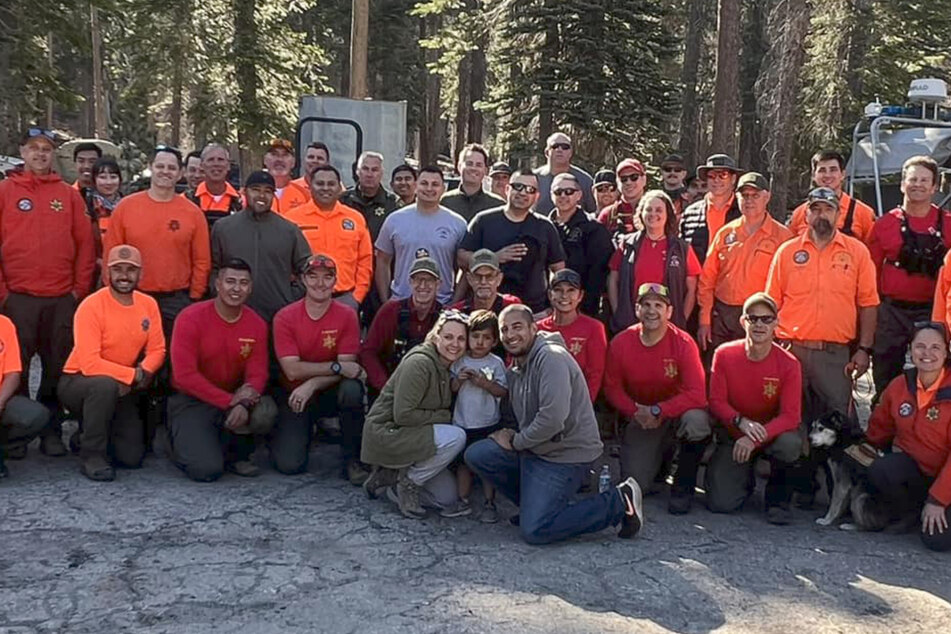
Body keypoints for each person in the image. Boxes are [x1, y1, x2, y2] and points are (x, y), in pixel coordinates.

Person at [464, 304, 644, 544]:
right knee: (479, 454)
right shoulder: (517, 367)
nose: (510, 335)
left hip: (565, 455)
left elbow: (552, 419)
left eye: (517, 327)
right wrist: (506, 433)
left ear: (534, 328)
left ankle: (619, 501)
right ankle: (537, 507)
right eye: (504, 330)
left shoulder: (551, 359)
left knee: (535, 531)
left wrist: (516, 441)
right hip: (537, 449)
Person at [766, 186, 879, 504]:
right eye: (815, 209)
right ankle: (793, 491)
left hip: (835, 354)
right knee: (793, 421)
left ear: (838, 214)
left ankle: (842, 495)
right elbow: (771, 303)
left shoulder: (856, 252)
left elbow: (868, 304)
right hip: (792, 350)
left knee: (838, 426)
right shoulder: (787, 252)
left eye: (827, 209)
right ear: (806, 214)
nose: (821, 215)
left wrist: (864, 349)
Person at [0, 127, 95, 457]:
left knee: (57, 367)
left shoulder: (67, 196)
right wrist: (3, 294)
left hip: (60, 300)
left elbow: (86, 245)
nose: (40, 154)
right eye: (34, 148)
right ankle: (18, 435)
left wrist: (78, 290)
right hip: (18, 298)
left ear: (53, 155)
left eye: (46, 149)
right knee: (18, 368)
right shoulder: (5, 191)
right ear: (23, 152)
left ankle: (52, 431)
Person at [58, 245, 165, 481]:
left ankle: (86, 434)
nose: (124, 276)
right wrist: (132, 375)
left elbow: (157, 349)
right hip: (79, 381)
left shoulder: (148, 304)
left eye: (131, 270)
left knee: (131, 458)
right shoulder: (91, 306)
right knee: (103, 386)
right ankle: (91, 455)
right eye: (118, 270)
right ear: (107, 274)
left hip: (122, 384)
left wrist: (143, 372)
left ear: (141, 275)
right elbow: (89, 363)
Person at [603, 283, 710, 514]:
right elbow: (612, 388)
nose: (652, 311)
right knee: (636, 485)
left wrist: (658, 410)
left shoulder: (683, 343)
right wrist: (634, 411)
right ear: (637, 309)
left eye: (658, 305)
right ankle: (659, 462)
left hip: (673, 415)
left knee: (697, 421)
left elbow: (697, 394)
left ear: (669, 311)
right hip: (641, 417)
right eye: (646, 305)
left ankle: (683, 486)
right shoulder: (621, 343)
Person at [168, 259, 275, 481]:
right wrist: (230, 401)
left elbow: (258, 373)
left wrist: (244, 402)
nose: (236, 289)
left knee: (265, 411)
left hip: (235, 397)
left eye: (243, 283)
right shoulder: (190, 318)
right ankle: (180, 442)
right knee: (206, 470)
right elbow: (184, 376)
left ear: (251, 287)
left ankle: (238, 454)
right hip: (193, 400)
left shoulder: (256, 323)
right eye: (230, 281)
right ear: (217, 284)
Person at [705, 293, 802, 524]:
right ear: (743, 322)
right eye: (753, 318)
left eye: (767, 319)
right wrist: (741, 423)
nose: (759, 324)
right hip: (735, 433)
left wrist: (755, 439)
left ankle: (778, 499)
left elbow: (791, 416)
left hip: (771, 435)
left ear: (776, 324)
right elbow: (716, 401)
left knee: (791, 443)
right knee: (720, 504)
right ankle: (743, 478)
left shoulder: (789, 364)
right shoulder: (724, 354)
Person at [361, 310, 469, 519]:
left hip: (413, 433)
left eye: (461, 339)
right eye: (448, 337)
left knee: (447, 498)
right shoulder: (420, 362)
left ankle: (391, 479)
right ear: (436, 336)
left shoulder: (446, 366)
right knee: (456, 436)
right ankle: (408, 483)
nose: (454, 344)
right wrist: (443, 417)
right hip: (390, 431)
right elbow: (403, 415)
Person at [271, 254, 367, 483]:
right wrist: (335, 367)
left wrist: (313, 383)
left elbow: (349, 367)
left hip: (328, 391)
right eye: (313, 277)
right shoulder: (285, 317)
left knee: (352, 389)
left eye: (327, 278)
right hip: (296, 394)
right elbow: (292, 370)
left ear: (335, 282)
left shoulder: (347, 315)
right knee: (289, 465)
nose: (320, 284)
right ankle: (299, 433)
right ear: (303, 280)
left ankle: (352, 459)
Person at [861, 321, 951, 551]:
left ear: (946, 351)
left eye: (935, 347)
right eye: (920, 346)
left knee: (936, 540)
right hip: (916, 473)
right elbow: (878, 430)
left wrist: (938, 500)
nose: (927, 354)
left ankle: (930, 510)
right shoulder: (900, 385)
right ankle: (910, 513)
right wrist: (857, 454)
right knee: (879, 469)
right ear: (911, 349)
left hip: (947, 480)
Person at [105, 145, 211, 339]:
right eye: (160, 166)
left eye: (171, 168)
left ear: (180, 173)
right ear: (150, 168)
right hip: (133, 295)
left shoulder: (193, 213)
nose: (165, 171)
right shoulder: (126, 208)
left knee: (173, 358)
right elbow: (111, 255)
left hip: (177, 299)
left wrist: (194, 296)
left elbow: (201, 260)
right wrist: (113, 293)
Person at [869, 156, 951, 396]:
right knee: (885, 373)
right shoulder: (885, 223)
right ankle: (882, 427)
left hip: (932, 312)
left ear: (935, 187)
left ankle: (930, 426)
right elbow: (870, 273)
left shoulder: (947, 224)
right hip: (891, 312)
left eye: (925, 180)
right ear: (902, 184)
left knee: (934, 372)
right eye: (912, 179)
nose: (918, 184)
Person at [697, 173, 793, 354]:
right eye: (744, 195)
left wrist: (779, 326)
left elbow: (791, 287)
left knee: (756, 371)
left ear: (767, 197)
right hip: (723, 316)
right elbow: (707, 279)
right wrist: (704, 320)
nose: (749, 200)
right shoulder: (725, 233)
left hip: (761, 318)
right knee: (719, 368)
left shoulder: (783, 237)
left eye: (755, 195)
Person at [458, 170, 566, 315]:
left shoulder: (545, 227)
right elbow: (461, 257)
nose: (523, 193)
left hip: (534, 311)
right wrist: (494, 258)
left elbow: (558, 269)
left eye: (530, 190)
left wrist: (552, 306)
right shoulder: (484, 220)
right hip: (486, 309)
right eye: (518, 187)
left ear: (536, 196)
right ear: (507, 189)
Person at [210, 170, 311, 322]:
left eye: (268, 191)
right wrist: (220, 294)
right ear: (244, 191)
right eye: (255, 190)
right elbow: (213, 267)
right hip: (233, 313)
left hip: (277, 314)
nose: (261, 196)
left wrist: (289, 296)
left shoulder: (289, 230)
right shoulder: (224, 228)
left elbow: (307, 268)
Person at [607, 190, 700, 333]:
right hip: (631, 323)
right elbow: (613, 279)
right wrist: (618, 312)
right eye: (648, 209)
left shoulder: (683, 248)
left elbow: (691, 290)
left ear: (668, 214)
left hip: (669, 325)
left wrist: (680, 320)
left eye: (659, 210)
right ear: (641, 213)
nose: (653, 214)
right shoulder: (627, 244)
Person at [285, 165, 372, 313]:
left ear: (339, 188)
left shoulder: (355, 218)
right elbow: (283, 259)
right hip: (303, 299)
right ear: (310, 187)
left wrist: (357, 297)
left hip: (345, 299)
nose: (325, 188)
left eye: (331, 184)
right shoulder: (292, 219)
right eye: (320, 183)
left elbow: (365, 260)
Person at [375, 166, 467, 306]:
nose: (429, 189)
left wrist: (454, 303)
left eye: (435, 184)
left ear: (444, 189)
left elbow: (464, 267)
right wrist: (385, 301)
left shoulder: (458, 223)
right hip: (401, 302)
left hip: (441, 303)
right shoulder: (394, 220)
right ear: (416, 186)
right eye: (424, 183)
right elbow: (382, 262)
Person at [450, 309, 508, 521]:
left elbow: (503, 391)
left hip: (487, 422)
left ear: (494, 341)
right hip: (463, 421)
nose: (480, 342)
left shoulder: (496, 363)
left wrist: (485, 384)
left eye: (486, 338)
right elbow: (452, 389)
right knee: (463, 464)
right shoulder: (459, 361)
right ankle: (462, 500)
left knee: (486, 466)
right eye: (475, 336)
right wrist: (460, 380)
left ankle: (489, 502)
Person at [361, 257, 444, 396]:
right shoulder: (390, 310)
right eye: (418, 279)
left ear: (438, 284)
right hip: (389, 386)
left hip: (429, 392)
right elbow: (368, 352)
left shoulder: (445, 317)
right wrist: (385, 387)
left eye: (429, 280)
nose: (423, 285)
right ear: (410, 282)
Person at [547, 173, 613, 317]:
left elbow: (598, 276)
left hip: (584, 310)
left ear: (579, 195)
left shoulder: (594, 229)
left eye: (569, 191)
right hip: (546, 309)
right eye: (558, 192)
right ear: (551, 195)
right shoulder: (543, 227)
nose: (563, 195)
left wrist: (583, 309)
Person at [536, 269, 607, 402]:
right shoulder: (537, 329)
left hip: (578, 404)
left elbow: (595, 374)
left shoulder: (594, 328)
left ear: (580, 296)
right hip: (542, 402)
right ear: (550, 295)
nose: (564, 296)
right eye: (558, 290)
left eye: (571, 290)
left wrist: (583, 407)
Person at [0, 313, 51, 477]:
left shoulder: (4, 324)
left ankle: (3, 448)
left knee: (35, 415)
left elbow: (13, 374)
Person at [787, 150, 876, 244]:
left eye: (833, 170)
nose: (827, 175)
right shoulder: (799, 214)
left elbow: (872, 252)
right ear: (813, 176)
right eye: (822, 170)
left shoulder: (863, 213)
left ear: (842, 174)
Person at [680, 154, 742, 264]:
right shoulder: (690, 213)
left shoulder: (744, 212)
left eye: (723, 175)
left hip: (732, 277)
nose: (717, 180)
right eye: (712, 175)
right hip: (699, 278)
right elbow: (681, 251)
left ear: (733, 179)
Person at [339, 150, 400, 243]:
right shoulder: (342, 200)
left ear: (381, 173)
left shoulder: (393, 204)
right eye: (365, 169)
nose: (369, 174)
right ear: (357, 171)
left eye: (374, 170)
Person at [533, 132, 596, 215]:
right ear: (547, 152)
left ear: (571, 152)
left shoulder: (585, 181)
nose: (560, 150)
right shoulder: (533, 179)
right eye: (555, 146)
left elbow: (593, 211)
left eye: (565, 147)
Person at [441, 144, 504, 222]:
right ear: (459, 166)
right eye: (469, 164)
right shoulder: (445, 202)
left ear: (485, 170)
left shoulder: (497, 206)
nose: (473, 168)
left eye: (479, 165)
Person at [449, 249, 522, 315]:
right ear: (469, 279)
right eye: (478, 276)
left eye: (489, 276)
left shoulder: (512, 306)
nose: (483, 282)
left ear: (499, 278)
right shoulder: (457, 312)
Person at [188, 143, 241, 228]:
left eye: (220, 160)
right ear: (202, 165)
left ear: (228, 166)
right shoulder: (187, 199)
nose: (216, 164)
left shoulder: (242, 202)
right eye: (210, 160)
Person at [597, 158, 647, 242]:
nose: (628, 182)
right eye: (623, 179)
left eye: (634, 177)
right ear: (617, 182)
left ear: (644, 179)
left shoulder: (656, 210)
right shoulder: (607, 214)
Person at [88, 157, 124, 266]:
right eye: (102, 177)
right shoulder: (87, 206)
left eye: (113, 177)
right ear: (94, 180)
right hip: (94, 266)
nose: (108, 182)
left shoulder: (128, 205)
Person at [262, 138, 310, 216]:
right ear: (265, 160)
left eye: (285, 155)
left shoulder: (305, 195)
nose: (279, 159)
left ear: (293, 162)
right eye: (274, 154)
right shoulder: (251, 193)